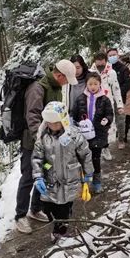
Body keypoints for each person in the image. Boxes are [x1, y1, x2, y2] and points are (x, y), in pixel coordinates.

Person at [15, 59, 79, 234]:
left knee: (44, 173)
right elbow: (33, 117)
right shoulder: (37, 89)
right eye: (66, 79)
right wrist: (41, 140)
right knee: (29, 176)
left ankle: (35, 209)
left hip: (50, 142)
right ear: (59, 75)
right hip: (32, 143)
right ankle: (20, 215)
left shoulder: (57, 88)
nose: (67, 83)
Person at [31, 101, 93, 243]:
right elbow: (37, 158)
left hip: (69, 179)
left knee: (64, 209)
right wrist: (38, 176)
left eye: (56, 122)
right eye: (49, 122)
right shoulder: (43, 138)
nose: (52, 126)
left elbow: (85, 154)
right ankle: (55, 225)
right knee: (49, 208)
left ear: (63, 120)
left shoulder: (74, 136)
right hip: (50, 180)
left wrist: (88, 173)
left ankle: (61, 231)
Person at [71, 71, 113, 193]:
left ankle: (97, 181)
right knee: (83, 158)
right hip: (83, 134)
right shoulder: (80, 99)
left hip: (98, 133)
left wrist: (107, 120)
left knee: (95, 158)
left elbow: (109, 113)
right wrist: (76, 124)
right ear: (86, 85)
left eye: (95, 84)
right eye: (90, 84)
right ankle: (84, 182)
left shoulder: (104, 99)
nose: (93, 87)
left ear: (100, 84)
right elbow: (75, 114)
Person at [90, 51, 124, 160]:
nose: (100, 63)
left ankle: (105, 148)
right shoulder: (90, 73)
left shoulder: (111, 72)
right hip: (93, 104)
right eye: (98, 61)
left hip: (107, 105)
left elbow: (116, 89)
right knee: (94, 127)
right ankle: (95, 150)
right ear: (94, 61)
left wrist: (119, 105)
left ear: (105, 60)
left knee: (106, 127)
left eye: (102, 61)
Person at [106, 47, 130, 150]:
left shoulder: (124, 68)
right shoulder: (106, 69)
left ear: (118, 55)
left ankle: (121, 138)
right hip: (107, 99)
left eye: (114, 55)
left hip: (120, 99)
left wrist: (118, 93)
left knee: (120, 120)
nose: (112, 57)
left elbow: (128, 83)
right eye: (110, 55)